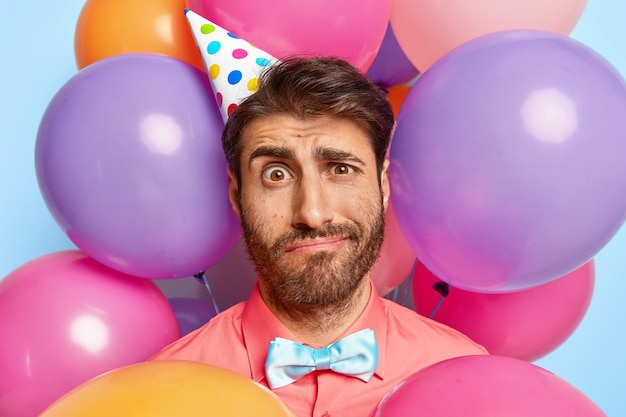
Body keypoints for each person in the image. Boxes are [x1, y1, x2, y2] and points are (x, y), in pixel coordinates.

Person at [150, 56, 487, 417]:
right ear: (237, 195)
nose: (311, 213)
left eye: (341, 169)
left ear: (383, 184)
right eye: (276, 175)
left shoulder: (470, 378)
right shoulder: (160, 394)